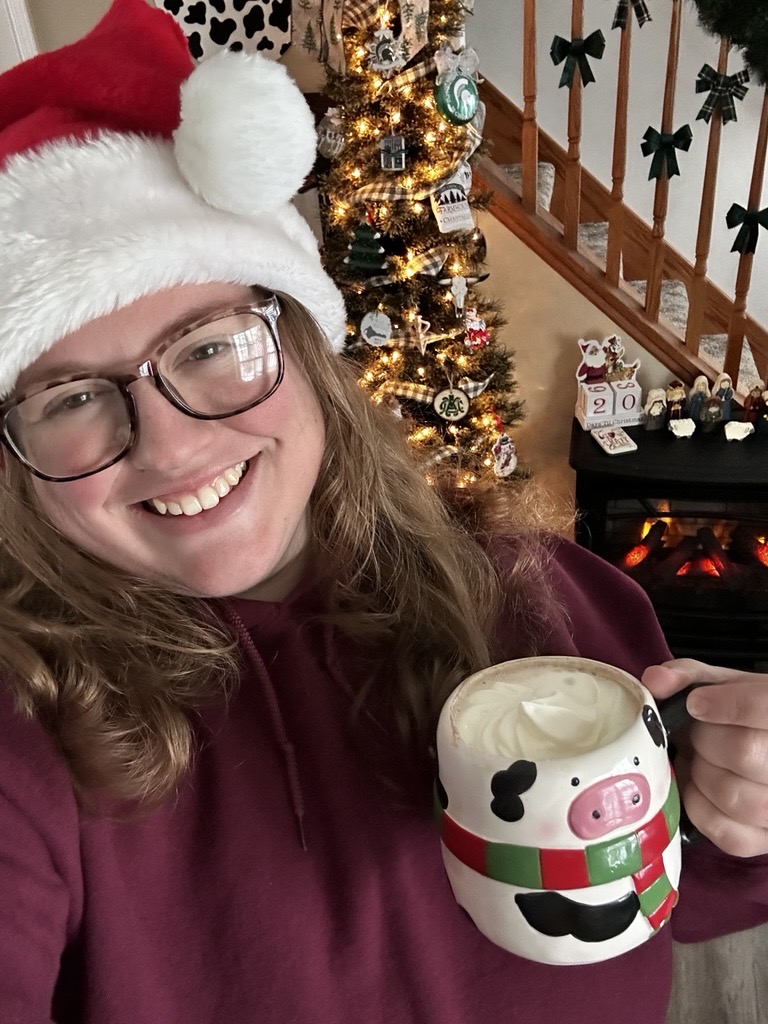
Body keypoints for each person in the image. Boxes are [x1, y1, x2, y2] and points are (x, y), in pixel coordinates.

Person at [1, 3, 768, 1023]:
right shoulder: (27, 725)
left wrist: (741, 790)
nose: (172, 445)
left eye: (210, 345)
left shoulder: (556, 601)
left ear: (307, 349)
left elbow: (680, 880)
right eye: (72, 400)